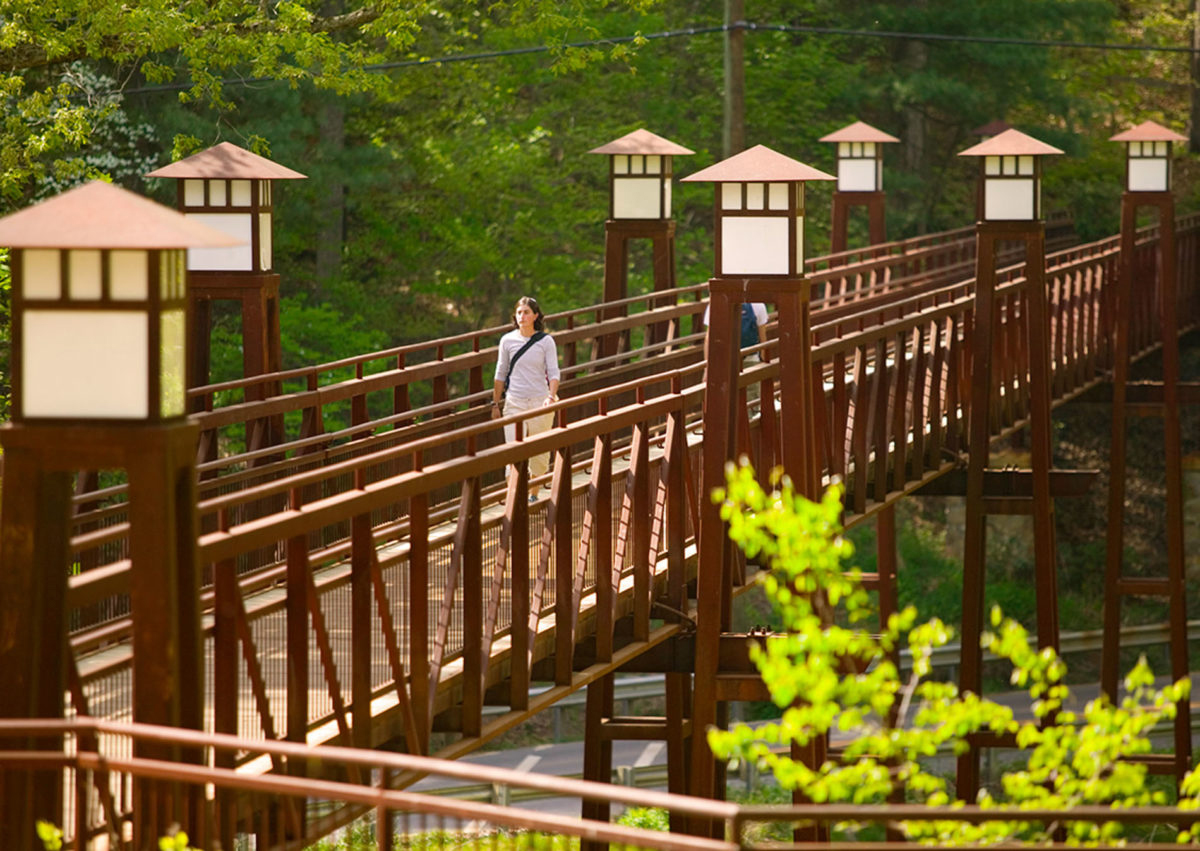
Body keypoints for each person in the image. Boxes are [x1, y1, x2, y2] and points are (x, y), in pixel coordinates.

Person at [492, 296, 561, 498]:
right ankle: (514, 498)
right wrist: (495, 403)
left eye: (526, 312)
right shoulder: (507, 340)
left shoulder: (546, 341)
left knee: (539, 454)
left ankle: (533, 495)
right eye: (519, 312)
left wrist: (551, 396)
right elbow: (500, 372)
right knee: (513, 452)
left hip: (540, 402)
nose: (522, 316)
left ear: (535, 316)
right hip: (514, 402)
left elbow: (554, 372)